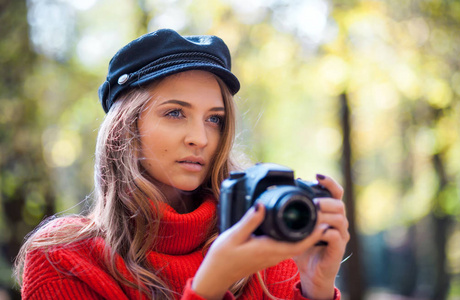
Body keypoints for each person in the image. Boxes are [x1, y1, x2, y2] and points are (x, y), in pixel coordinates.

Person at [14, 28, 349, 300]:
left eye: (214, 119)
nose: (200, 138)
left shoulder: (266, 243)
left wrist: (316, 288)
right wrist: (209, 287)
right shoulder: (64, 259)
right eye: (175, 113)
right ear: (125, 127)